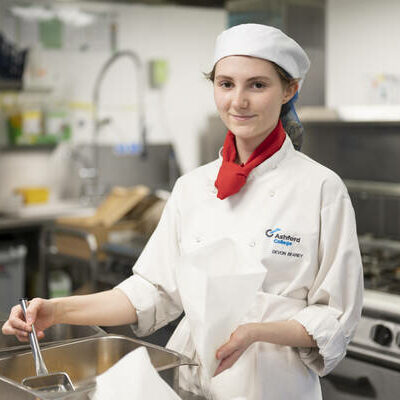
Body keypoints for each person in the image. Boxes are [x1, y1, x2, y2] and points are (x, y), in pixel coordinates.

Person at [2, 24, 363, 400]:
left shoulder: (320, 188)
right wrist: (58, 310)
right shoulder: (193, 187)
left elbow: (335, 317)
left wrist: (256, 331)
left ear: (290, 89)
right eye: (226, 84)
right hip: (195, 386)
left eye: (257, 85)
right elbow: (151, 291)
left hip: (277, 388)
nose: (238, 101)